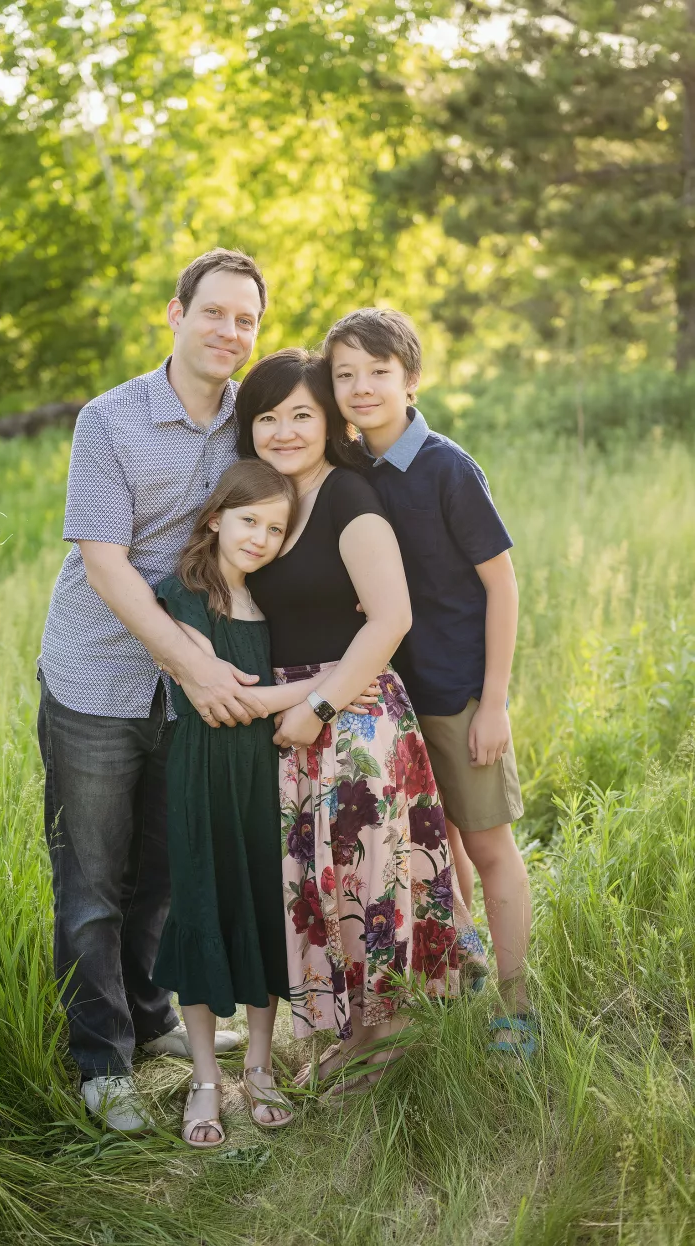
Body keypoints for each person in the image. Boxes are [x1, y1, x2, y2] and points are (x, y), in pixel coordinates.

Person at [37, 249, 278, 1133]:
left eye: (246, 319)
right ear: (174, 315)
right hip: (99, 677)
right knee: (94, 880)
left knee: (163, 875)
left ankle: (147, 1019)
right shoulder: (109, 420)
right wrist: (194, 664)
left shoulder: (248, 424)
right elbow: (105, 566)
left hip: (194, 692)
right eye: (214, 312)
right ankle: (100, 1059)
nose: (229, 332)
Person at [240, 349, 489, 1093]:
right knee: (326, 881)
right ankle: (351, 1032)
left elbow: (390, 618)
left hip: (351, 712)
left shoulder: (348, 497)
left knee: (366, 878)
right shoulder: (270, 498)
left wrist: (318, 708)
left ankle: (391, 1034)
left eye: (302, 415)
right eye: (267, 417)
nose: (284, 431)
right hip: (294, 712)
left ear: (329, 422)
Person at [324, 307, 536, 1056]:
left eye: (378, 372)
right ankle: (465, 964)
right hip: (395, 701)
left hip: (459, 695)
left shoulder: (445, 466)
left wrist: (496, 702)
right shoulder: (352, 470)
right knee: (435, 851)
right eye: (344, 374)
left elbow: (502, 586)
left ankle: (518, 1006)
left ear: (411, 380)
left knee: (489, 850)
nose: (360, 387)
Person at [153, 459, 384, 1145]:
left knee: (262, 908)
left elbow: (269, 702)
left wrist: (326, 683)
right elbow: (228, 703)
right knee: (202, 908)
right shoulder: (181, 597)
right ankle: (204, 1079)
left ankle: (257, 1066)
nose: (259, 536)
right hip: (202, 775)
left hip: (269, 775)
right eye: (248, 519)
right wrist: (341, 680)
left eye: (275, 528)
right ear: (216, 517)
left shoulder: (270, 606)